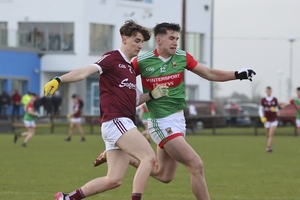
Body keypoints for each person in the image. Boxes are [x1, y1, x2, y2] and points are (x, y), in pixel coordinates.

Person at [94, 22, 256, 200]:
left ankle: (126, 157)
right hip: (161, 122)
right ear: (159, 40)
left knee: (164, 175)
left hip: (179, 120)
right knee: (196, 164)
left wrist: (237, 74)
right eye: (171, 38)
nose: (175, 43)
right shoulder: (141, 61)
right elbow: (122, 78)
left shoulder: (182, 57)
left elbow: (209, 73)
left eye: (177, 39)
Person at [43, 20, 169, 200]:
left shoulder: (130, 69)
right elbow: (84, 72)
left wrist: (152, 95)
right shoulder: (112, 58)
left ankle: (67, 198)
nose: (140, 45)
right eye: (136, 40)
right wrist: (59, 79)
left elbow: (133, 101)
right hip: (116, 121)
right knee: (148, 158)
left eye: (142, 42)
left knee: (114, 180)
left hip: (119, 125)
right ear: (124, 39)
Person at [258, 86, 279, 153]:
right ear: (266, 91)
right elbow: (260, 109)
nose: (268, 92)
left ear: (271, 91)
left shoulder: (275, 99)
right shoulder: (263, 100)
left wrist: (274, 109)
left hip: (274, 119)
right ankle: (270, 145)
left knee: (271, 133)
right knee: (267, 134)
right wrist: (262, 117)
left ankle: (268, 148)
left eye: (269, 91)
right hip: (266, 119)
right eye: (267, 91)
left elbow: (278, 109)